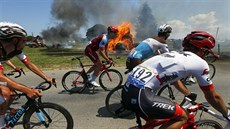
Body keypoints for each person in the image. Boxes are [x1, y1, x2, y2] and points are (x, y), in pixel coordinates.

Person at [122, 30, 230, 129]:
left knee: (153, 122)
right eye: (207, 52)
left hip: (127, 91)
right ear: (202, 50)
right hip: (142, 96)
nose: (206, 56)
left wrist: (188, 94)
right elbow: (213, 97)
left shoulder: (172, 54)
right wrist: (227, 114)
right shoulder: (200, 63)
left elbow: (173, 79)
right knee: (182, 117)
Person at [0, 22, 55, 128]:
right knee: (5, 93)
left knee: (13, 93)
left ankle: (4, 112)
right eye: (24, 40)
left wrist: (46, 77)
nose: (26, 43)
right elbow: (1, 77)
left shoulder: (15, 49)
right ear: (14, 40)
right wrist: (27, 90)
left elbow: (29, 63)